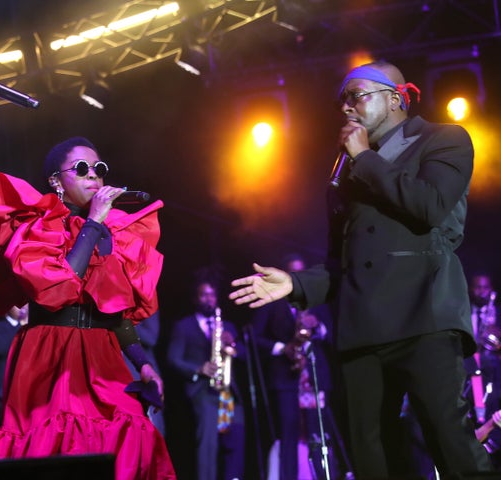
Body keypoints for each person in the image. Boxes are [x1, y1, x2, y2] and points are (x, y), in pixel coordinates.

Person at [229, 60, 492, 477]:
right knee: (374, 457)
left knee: (449, 442)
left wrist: (365, 158)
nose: (347, 108)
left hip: (424, 316)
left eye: (357, 96)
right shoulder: (347, 172)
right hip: (362, 330)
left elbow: (430, 206)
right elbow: (344, 262)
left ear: (395, 97)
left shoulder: (443, 139)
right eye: (342, 101)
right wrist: (296, 284)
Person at [0, 136, 176, 479]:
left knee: (132, 429)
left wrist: (143, 364)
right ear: (56, 180)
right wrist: (94, 222)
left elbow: (115, 311)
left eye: (99, 169)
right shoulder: (39, 225)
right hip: (52, 352)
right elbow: (58, 287)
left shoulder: (111, 232)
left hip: (101, 353)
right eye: (81, 169)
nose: (93, 176)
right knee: (62, 443)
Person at [250, 253, 340, 480]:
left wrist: (318, 326)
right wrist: (283, 348)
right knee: (288, 436)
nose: (298, 275)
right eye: (293, 271)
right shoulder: (273, 301)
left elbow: (334, 335)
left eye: (301, 270)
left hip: (315, 377)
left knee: (319, 435)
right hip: (286, 379)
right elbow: (255, 337)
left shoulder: (316, 300)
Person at [167, 269, 245, 480]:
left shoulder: (227, 326)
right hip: (204, 393)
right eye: (204, 294)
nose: (209, 299)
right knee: (208, 447)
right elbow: (173, 359)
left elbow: (244, 355)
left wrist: (233, 343)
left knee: (235, 444)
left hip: (228, 393)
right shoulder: (183, 326)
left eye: (212, 295)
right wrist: (198, 369)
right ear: (195, 298)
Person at [122, 311, 166, 436]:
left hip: (140, 373)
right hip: (116, 372)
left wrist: (122, 325)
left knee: (151, 428)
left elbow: (151, 337)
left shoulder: (144, 299)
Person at [0, 304, 28, 420]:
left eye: (25, 304)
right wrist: (22, 326)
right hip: (4, 392)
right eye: (18, 304)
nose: (23, 307)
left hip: (26, 391)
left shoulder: (33, 329)